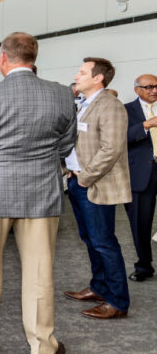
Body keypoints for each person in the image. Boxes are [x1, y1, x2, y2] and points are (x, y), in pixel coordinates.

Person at [0, 32, 75, 354]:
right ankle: (42, 343)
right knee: (39, 272)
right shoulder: (62, 95)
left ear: (3, 58)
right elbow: (66, 145)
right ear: (34, 58)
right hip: (42, 194)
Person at [63, 58, 130, 320]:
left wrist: (85, 177)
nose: (77, 76)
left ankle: (117, 302)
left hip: (94, 184)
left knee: (104, 243)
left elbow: (111, 149)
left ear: (98, 78)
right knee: (90, 240)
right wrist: (71, 170)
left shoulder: (110, 106)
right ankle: (99, 288)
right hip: (77, 180)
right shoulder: (84, 104)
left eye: (82, 72)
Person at [123, 74, 157, 282]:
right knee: (141, 223)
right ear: (137, 90)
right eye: (149, 87)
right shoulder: (126, 110)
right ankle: (144, 266)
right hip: (141, 174)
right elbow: (120, 138)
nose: (154, 90)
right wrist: (146, 125)